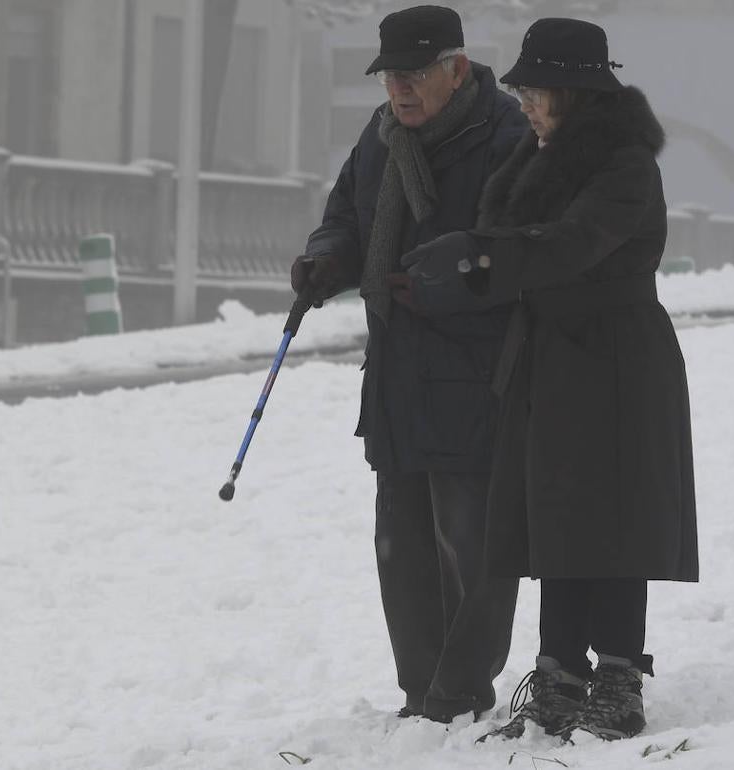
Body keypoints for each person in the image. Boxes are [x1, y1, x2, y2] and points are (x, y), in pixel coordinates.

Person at [393, 18, 699, 741]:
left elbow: (569, 245)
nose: (526, 105)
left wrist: (477, 259)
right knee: (556, 515)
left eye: (537, 92)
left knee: (615, 517)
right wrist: (458, 274)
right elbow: (516, 246)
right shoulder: (539, 159)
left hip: (619, 356)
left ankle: (619, 676)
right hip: (553, 357)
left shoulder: (625, 165)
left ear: (574, 91)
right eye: (523, 92)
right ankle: (559, 671)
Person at [290, 5, 528, 723]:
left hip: (473, 374)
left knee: (473, 546)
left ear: (456, 69)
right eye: (391, 74)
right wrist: (326, 259)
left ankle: (460, 691)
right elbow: (348, 217)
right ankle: (421, 691)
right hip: (395, 374)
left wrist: (445, 281)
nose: (399, 88)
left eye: (414, 73)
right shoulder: (382, 136)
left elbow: (515, 249)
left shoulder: (506, 136)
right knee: (400, 546)